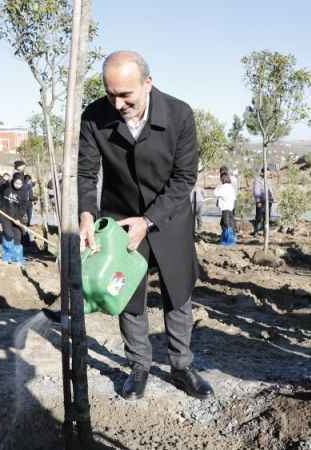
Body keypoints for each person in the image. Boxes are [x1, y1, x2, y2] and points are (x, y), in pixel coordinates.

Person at [79, 50, 214, 401]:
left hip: (169, 217)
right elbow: (86, 172)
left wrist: (150, 219)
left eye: (126, 95)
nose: (118, 104)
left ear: (148, 83)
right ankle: (139, 367)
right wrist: (87, 214)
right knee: (126, 294)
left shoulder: (179, 114)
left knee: (177, 293)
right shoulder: (94, 116)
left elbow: (184, 178)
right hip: (121, 220)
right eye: (111, 94)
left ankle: (182, 366)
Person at [0, 172, 29, 264]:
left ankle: (17, 258)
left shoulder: (24, 192)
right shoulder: (6, 187)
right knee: (9, 234)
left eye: (20, 183)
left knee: (18, 236)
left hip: (17, 217)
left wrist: (18, 218)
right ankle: (6, 257)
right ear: (13, 181)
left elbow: (23, 207)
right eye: (16, 183)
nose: (18, 185)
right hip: (4, 214)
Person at [214, 172, 237, 245]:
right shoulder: (231, 187)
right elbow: (234, 198)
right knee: (228, 223)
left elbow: (215, 193)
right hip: (230, 207)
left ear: (222, 179)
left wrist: (218, 186)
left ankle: (229, 240)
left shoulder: (223, 187)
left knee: (226, 224)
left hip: (225, 208)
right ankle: (227, 238)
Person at [252, 168, 274, 236]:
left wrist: (272, 198)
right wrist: (258, 201)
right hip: (261, 201)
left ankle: (265, 232)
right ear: (263, 172)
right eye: (267, 172)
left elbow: (271, 189)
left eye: (269, 173)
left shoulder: (269, 180)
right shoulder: (258, 180)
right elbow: (256, 191)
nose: (268, 174)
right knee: (259, 217)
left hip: (269, 201)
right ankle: (256, 231)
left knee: (267, 217)